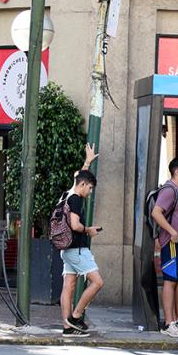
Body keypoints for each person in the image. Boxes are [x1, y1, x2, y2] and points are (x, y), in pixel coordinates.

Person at [60, 145, 104, 338]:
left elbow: (79, 176)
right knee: (97, 282)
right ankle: (76, 316)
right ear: (84, 185)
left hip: (66, 248)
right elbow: (75, 225)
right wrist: (89, 230)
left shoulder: (67, 194)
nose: (91, 191)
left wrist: (87, 162)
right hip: (77, 248)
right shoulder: (76, 199)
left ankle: (67, 327)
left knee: (68, 286)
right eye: (90, 188)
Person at [151, 157, 178, 338]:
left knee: (176, 280)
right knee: (170, 281)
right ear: (177, 172)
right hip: (172, 242)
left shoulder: (176, 190)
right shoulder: (170, 190)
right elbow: (156, 212)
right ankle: (168, 323)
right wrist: (172, 231)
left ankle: (174, 321)